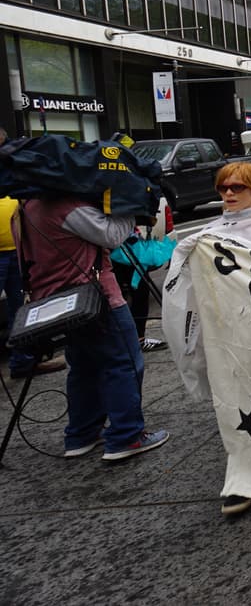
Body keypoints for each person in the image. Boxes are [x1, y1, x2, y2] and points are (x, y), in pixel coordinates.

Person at [159, 163, 251, 517]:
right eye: (223, 188)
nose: (229, 193)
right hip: (230, 338)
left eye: (237, 187)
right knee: (237, 404)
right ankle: (245, 474)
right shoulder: (207, 236)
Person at [20, 194, 169, 460]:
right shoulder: (67, 206)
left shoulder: (27, 207)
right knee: (123, 363)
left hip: (63, 302)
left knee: (83, 368)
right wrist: (128, 210)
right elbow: (112, 236)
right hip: (97, 298)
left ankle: (81, 435)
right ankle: (127, 436)